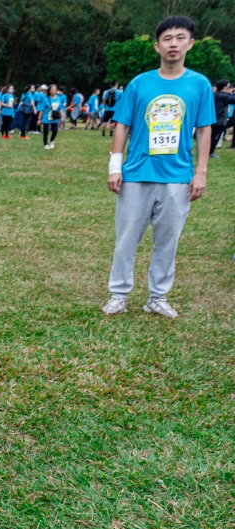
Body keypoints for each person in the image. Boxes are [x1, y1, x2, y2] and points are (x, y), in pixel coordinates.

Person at [101, 16, 215, 319]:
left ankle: (158, 297)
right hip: (137, 174)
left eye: (180, 37)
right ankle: (118, 294)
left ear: (190, 44)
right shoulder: (140, 83)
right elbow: (121, 125)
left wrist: (200, 172)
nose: (173, 43)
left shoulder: (199, 84)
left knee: (167, 242)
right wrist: (115, 166)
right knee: (126, 239)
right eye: (167, 38)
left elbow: (204, 130)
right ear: (157, 46)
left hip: (177, 177)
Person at [208, 80, 235, 157]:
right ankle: (210, 152)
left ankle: (206, 151)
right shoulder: (224, 96)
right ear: (224, 87)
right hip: (220, 119)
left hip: (213, 118)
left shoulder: (215, 94)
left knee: (210, 136)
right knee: (215, 137)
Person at [38, 83, 64, 149]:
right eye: (52, 89)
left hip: (54, 118)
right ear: (49, 90)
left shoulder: (58, 98)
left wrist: (62, 116)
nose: (53, 91)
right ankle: (45, 145)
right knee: (46, 132)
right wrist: (39, 119)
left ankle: (51, 140)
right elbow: (41, 110)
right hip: (46, 118)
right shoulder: (46, 99)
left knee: (55, 131)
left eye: (55, 89)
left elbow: (60, 108)